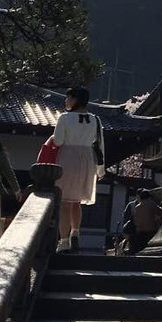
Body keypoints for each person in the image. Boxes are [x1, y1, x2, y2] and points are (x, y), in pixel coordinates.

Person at [52, 87, 104, 251]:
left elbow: (58, 141)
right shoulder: (95, 119)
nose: (66, 102)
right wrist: (100, 170)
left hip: (68, 157)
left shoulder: (65, 118)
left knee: (65, 201)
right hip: (87, 159)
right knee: (77, 202)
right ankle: (76, 232)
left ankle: (64, 240)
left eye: (68, 98)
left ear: (75, 100)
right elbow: (100, 145)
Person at [120, 188, 162, 254]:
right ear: (149, 197)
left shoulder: (137, 207)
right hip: (151, 230)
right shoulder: (151, 204)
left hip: (140, 231)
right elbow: (160, 212)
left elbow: (135, 221)